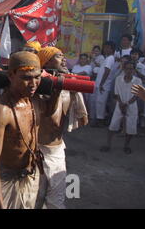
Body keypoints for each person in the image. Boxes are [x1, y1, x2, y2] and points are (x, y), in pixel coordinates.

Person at [0, 51, 61, 209]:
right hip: (5, 180)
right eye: (26, 78)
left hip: (30, 176)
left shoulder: (34, 99)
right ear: (11, 76)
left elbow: (47, 112)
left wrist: (56, 92)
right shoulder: (2, 110)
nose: (33, 84)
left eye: (37, 77)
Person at [37, 47, 88, 209]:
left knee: (56, 203)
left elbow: (83, 120)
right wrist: (57, 89)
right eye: (59, 56)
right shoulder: (37, 86)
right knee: (34, 202)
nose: (64, 59)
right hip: (36, 150)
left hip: (58, 152)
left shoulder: (69, 87)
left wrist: (74, 94)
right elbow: (49, 117)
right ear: (47, 62)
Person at [100, 61, 143, 154]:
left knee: (131, 127)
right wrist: (120, 104)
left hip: (132, 105)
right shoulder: (119, 79)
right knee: (113, 125)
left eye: (131, 69)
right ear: (124, 69)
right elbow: (117, 93)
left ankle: (126, 146)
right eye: (127, 68)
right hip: (120, 105)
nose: (129, 71)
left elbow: (136, 96)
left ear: (134, 70)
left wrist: (126, 104)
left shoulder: (138, 81)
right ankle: (108, 144)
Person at [90, 41, 116, 127]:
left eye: (107, 47)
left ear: (111, 49)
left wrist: (102, 84)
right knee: (98, 102)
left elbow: (107, 71)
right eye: (104, 47)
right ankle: (98, 119)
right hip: (100, 84)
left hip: (104, 85)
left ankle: (100, 120)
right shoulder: (107, 58)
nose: (105, 49)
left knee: (101, 102)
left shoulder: (110, 58)